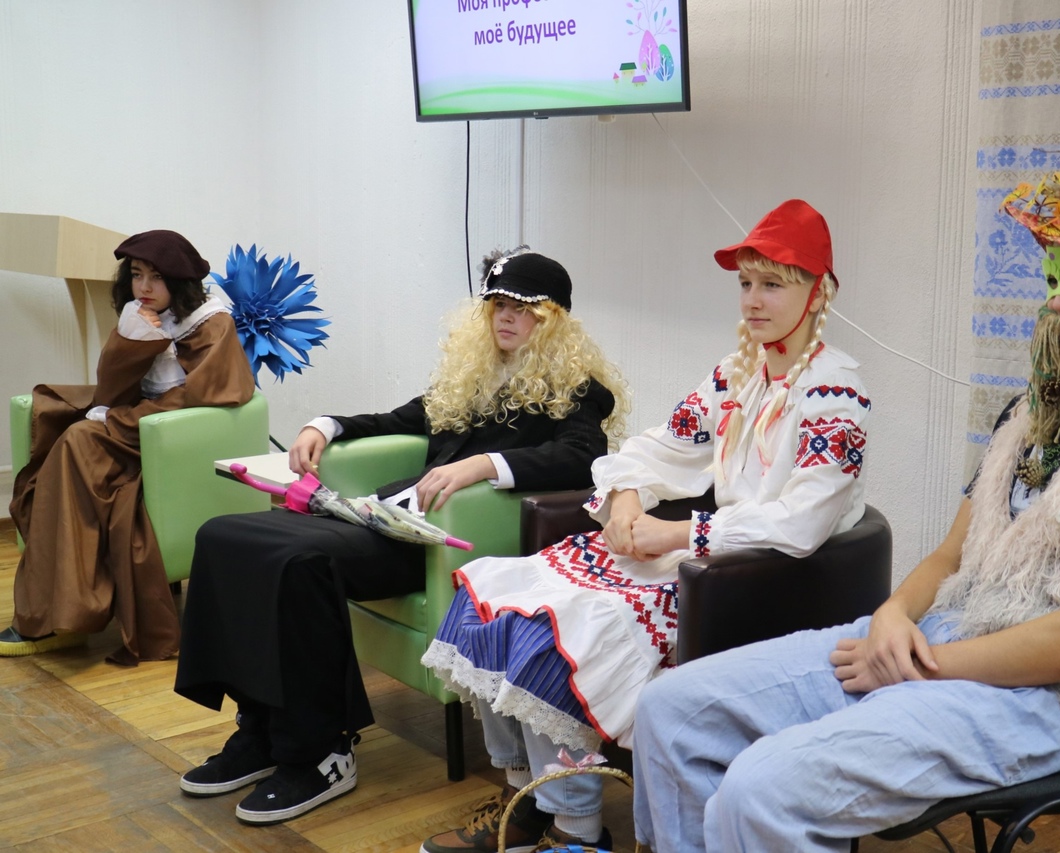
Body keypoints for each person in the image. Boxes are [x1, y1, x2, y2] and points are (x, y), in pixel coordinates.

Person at [629, 131, 1060, 852]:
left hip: (1036, 700)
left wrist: (917, 664)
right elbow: (953, 556)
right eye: (1055, 278)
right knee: (670, 709)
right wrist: (893, 616)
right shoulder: (1025, 418)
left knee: (760, 787)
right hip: (938, 640)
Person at [421, 199, 872, 853]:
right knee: (492, 591)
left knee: (558, 632)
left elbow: (801, 522)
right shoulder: (737, 374)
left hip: (763, 579)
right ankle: (525, 800)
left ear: (818, 291)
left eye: (773, 283)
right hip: (708, 557)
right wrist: (627, 499)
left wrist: (677, 534)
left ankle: (576, 829)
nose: (752, 299)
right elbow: (657, 447)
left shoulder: (836, 393)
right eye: (746, 282)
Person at [172, 248, 628, 826]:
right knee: (224, 536)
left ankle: (321, 753)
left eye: (524, 308)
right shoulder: (473, 377)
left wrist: (483, 465)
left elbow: (583, 457)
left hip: (436, 542)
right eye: (497, 305)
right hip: (385, 518)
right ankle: (259, 730)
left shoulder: (577, 388)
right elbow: (398, 421)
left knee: (297, 560)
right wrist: (325, 424)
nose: (507, 317)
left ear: (553, 319)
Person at [2, 230, 255, 665]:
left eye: (156, 277)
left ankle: (57, 615)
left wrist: (119, 419)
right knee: (66, 444)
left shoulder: (212, 323)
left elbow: (200, 397)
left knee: (77, 442)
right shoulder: (142, 315)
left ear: (178, 281)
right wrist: (130, 339)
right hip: (136, 431)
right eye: (136, 275)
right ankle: (58, 610)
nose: (144, 287)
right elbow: (111, 389)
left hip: (171, 442)